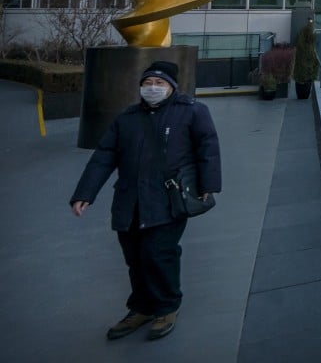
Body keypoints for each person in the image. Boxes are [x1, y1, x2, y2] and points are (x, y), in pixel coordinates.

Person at [70, 61, 221, 341]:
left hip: (169, 200)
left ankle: (166, 306)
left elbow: (208, 148)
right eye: (147, 83)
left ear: (172, 87)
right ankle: (141, 307)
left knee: (158, 254)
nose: (152, 88)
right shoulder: (127, 118)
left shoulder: (192, 112)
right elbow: (104, 156)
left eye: (159, 83)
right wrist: (84, 193)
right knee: (135, 257)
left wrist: (209, 185)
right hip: (129, 201)